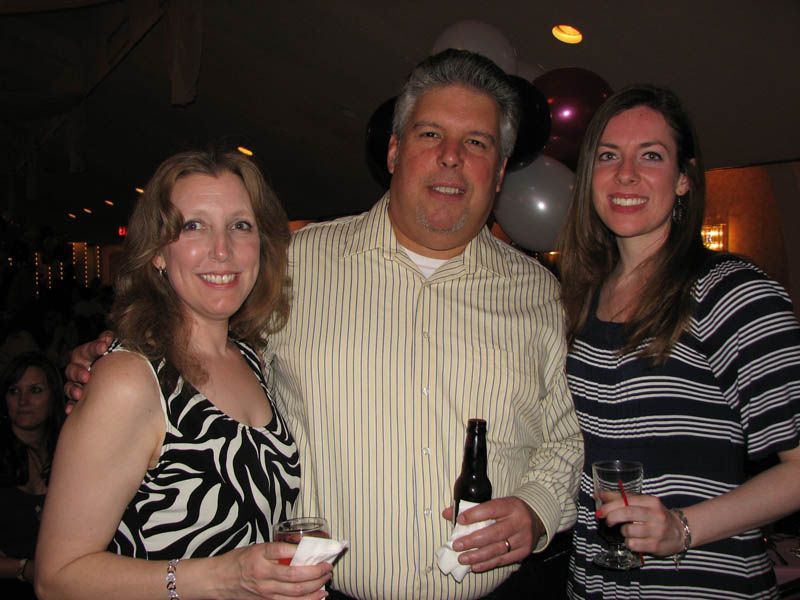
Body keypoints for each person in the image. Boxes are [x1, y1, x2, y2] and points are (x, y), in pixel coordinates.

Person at [64, 50, 583, 599]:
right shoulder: (295, 266)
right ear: (394, 150)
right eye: (430, 135)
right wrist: (112, 355)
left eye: (476, 143)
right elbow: (195, 329)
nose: (451, 158)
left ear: (500, 169)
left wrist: (537, 508)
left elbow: (564, 439)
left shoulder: (538, 293)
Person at [36, 150, 332, 600]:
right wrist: (225, 577)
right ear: (157, 252)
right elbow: (56, 578)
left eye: (240, 225)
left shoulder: (251, 358)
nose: (222, 249)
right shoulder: (130, 379)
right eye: (194, 226)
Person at [557, 84, 800, 598]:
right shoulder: (575, 303)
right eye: (608, 155)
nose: (626, 174)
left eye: (651, 155)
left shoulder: (731, 293)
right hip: (591, 585)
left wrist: (682, 528)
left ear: (684, 179)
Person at [0, 352, 65, 599]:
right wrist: (23, 568)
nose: (23, 401)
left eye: (35, 390)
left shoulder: (68, 451)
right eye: (14, 391)